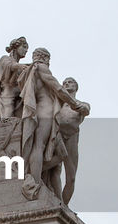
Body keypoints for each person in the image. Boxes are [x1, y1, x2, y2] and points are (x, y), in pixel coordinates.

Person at [20, 48, 87, 199]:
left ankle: (51, 193)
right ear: (46, 58)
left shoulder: (28, 71)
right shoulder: (41, 68)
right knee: (40, 147)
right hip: (46, 114)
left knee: (49, 154)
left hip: (35, 115)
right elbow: (57, 89)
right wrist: (74, 103)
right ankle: (35, 184)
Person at [53, 77, 88, 205]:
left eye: (70, 82)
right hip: (57, 136)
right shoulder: (57, 104)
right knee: (55, 169)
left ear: (76, 87)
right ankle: (58, 202)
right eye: (64, 82)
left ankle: (65, 205)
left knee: (71, 177)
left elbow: (85, 110)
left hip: (72, 137)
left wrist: (71, 102)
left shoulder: (82, 104)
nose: (67, 83)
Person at [0, 36, 29, 124]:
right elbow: (9, 65)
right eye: (24, 47)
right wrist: (19, 66)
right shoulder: (5, 58)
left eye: (27, 48)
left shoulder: (19, 65)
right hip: (8, 91)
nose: (26, 50)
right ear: (16, 47)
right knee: (7, 113)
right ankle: (5, 124)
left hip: (18, 91)